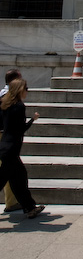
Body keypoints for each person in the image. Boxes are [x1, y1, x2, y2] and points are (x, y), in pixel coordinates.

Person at [0, 78, 45, 218]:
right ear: (20, 89)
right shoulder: (19, 106)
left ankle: (30, 207)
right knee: (6, 180)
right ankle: (30, 207)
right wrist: (33, 120)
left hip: (5, 146)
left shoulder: (5, 104)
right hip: (12, 149)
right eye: (26, 89)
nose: (27, 91)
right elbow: (20, 129)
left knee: (18, 179)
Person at [0, 69, 22, 213]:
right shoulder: (11, 96)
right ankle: (12, 202)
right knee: (7, 169)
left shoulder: (2, 93)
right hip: (4, 136)